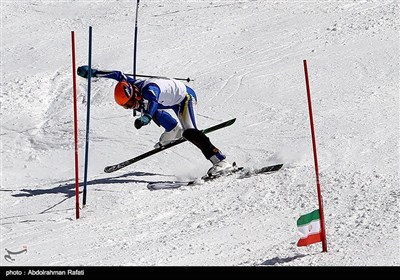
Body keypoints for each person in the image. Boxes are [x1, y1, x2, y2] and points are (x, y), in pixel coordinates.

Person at [77, 66, 235, 176]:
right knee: (144, 107)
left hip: (184, 98)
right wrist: (93, 73)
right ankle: (172, 129)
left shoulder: (149, 89)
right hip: (168, 101)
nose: (131, 107)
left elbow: (152, 103)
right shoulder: (131, 85)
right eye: (127, 106)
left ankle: (221, 161)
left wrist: (146, 117)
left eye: (130, 104)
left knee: (190, 132)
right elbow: (117, 75)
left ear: (134, 94)